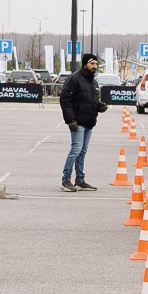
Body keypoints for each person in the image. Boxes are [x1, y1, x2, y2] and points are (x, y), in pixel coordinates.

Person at [58, 53, 103, 191]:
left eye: (96, 64)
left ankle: (80, 180)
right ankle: (66, 179)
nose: (94, 66)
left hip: (89, 122)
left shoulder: (93, 81)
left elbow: (92, 100)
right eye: (92, 63)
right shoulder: (74, 79)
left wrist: (99, 106)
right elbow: (65, 99)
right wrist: (70, 120)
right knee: (75, 150)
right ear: (85, 64)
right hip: (77, 122)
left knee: (82, 151)